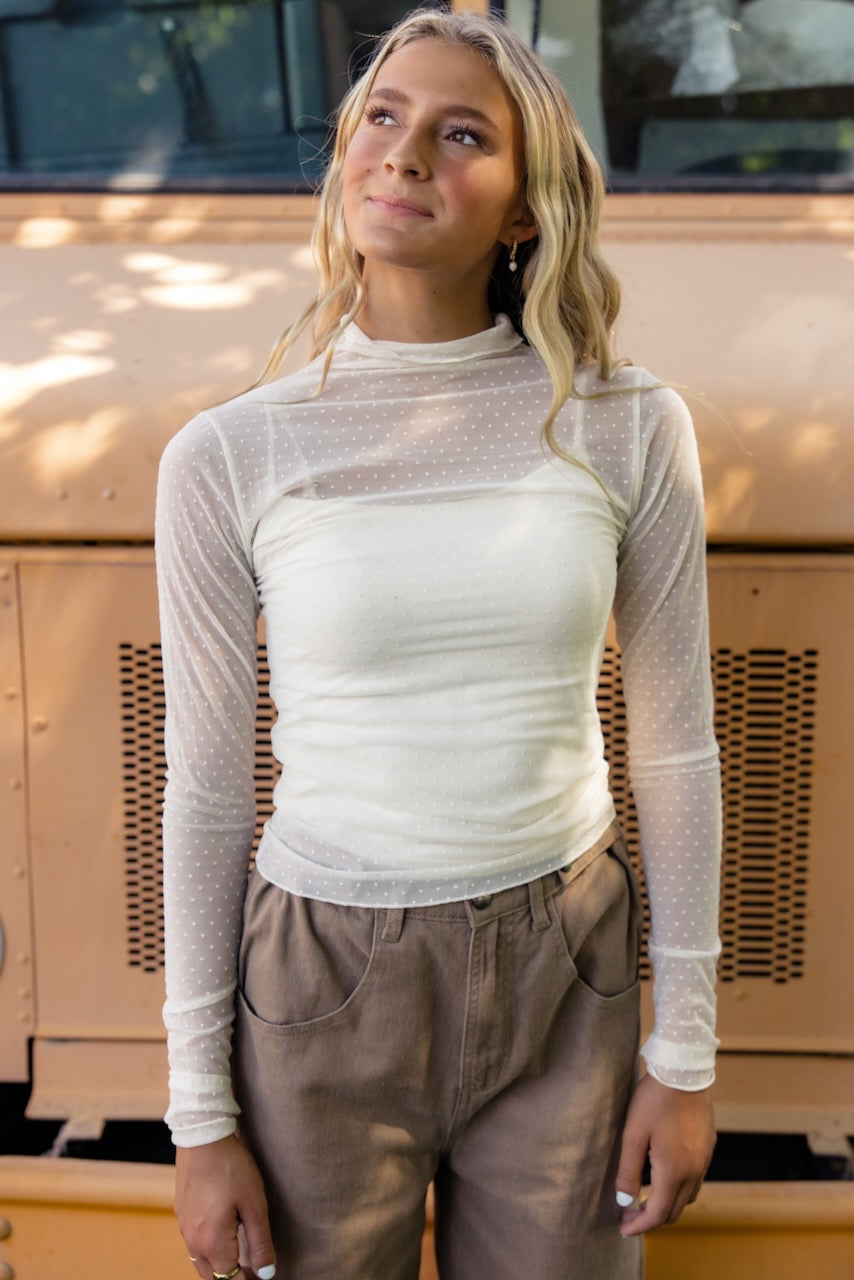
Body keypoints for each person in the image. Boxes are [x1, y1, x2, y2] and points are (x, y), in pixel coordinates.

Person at [155, 8, 721, 1280]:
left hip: (567, 969)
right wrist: (200, 1116)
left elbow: (675, 748)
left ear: (525, 210)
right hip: (319, 978)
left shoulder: (626, 427)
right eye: (381, 119)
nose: (403, 154)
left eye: (460, 134)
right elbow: (204, 789)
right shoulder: (231, 451)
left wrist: (681, 1055)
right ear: (345, 156)